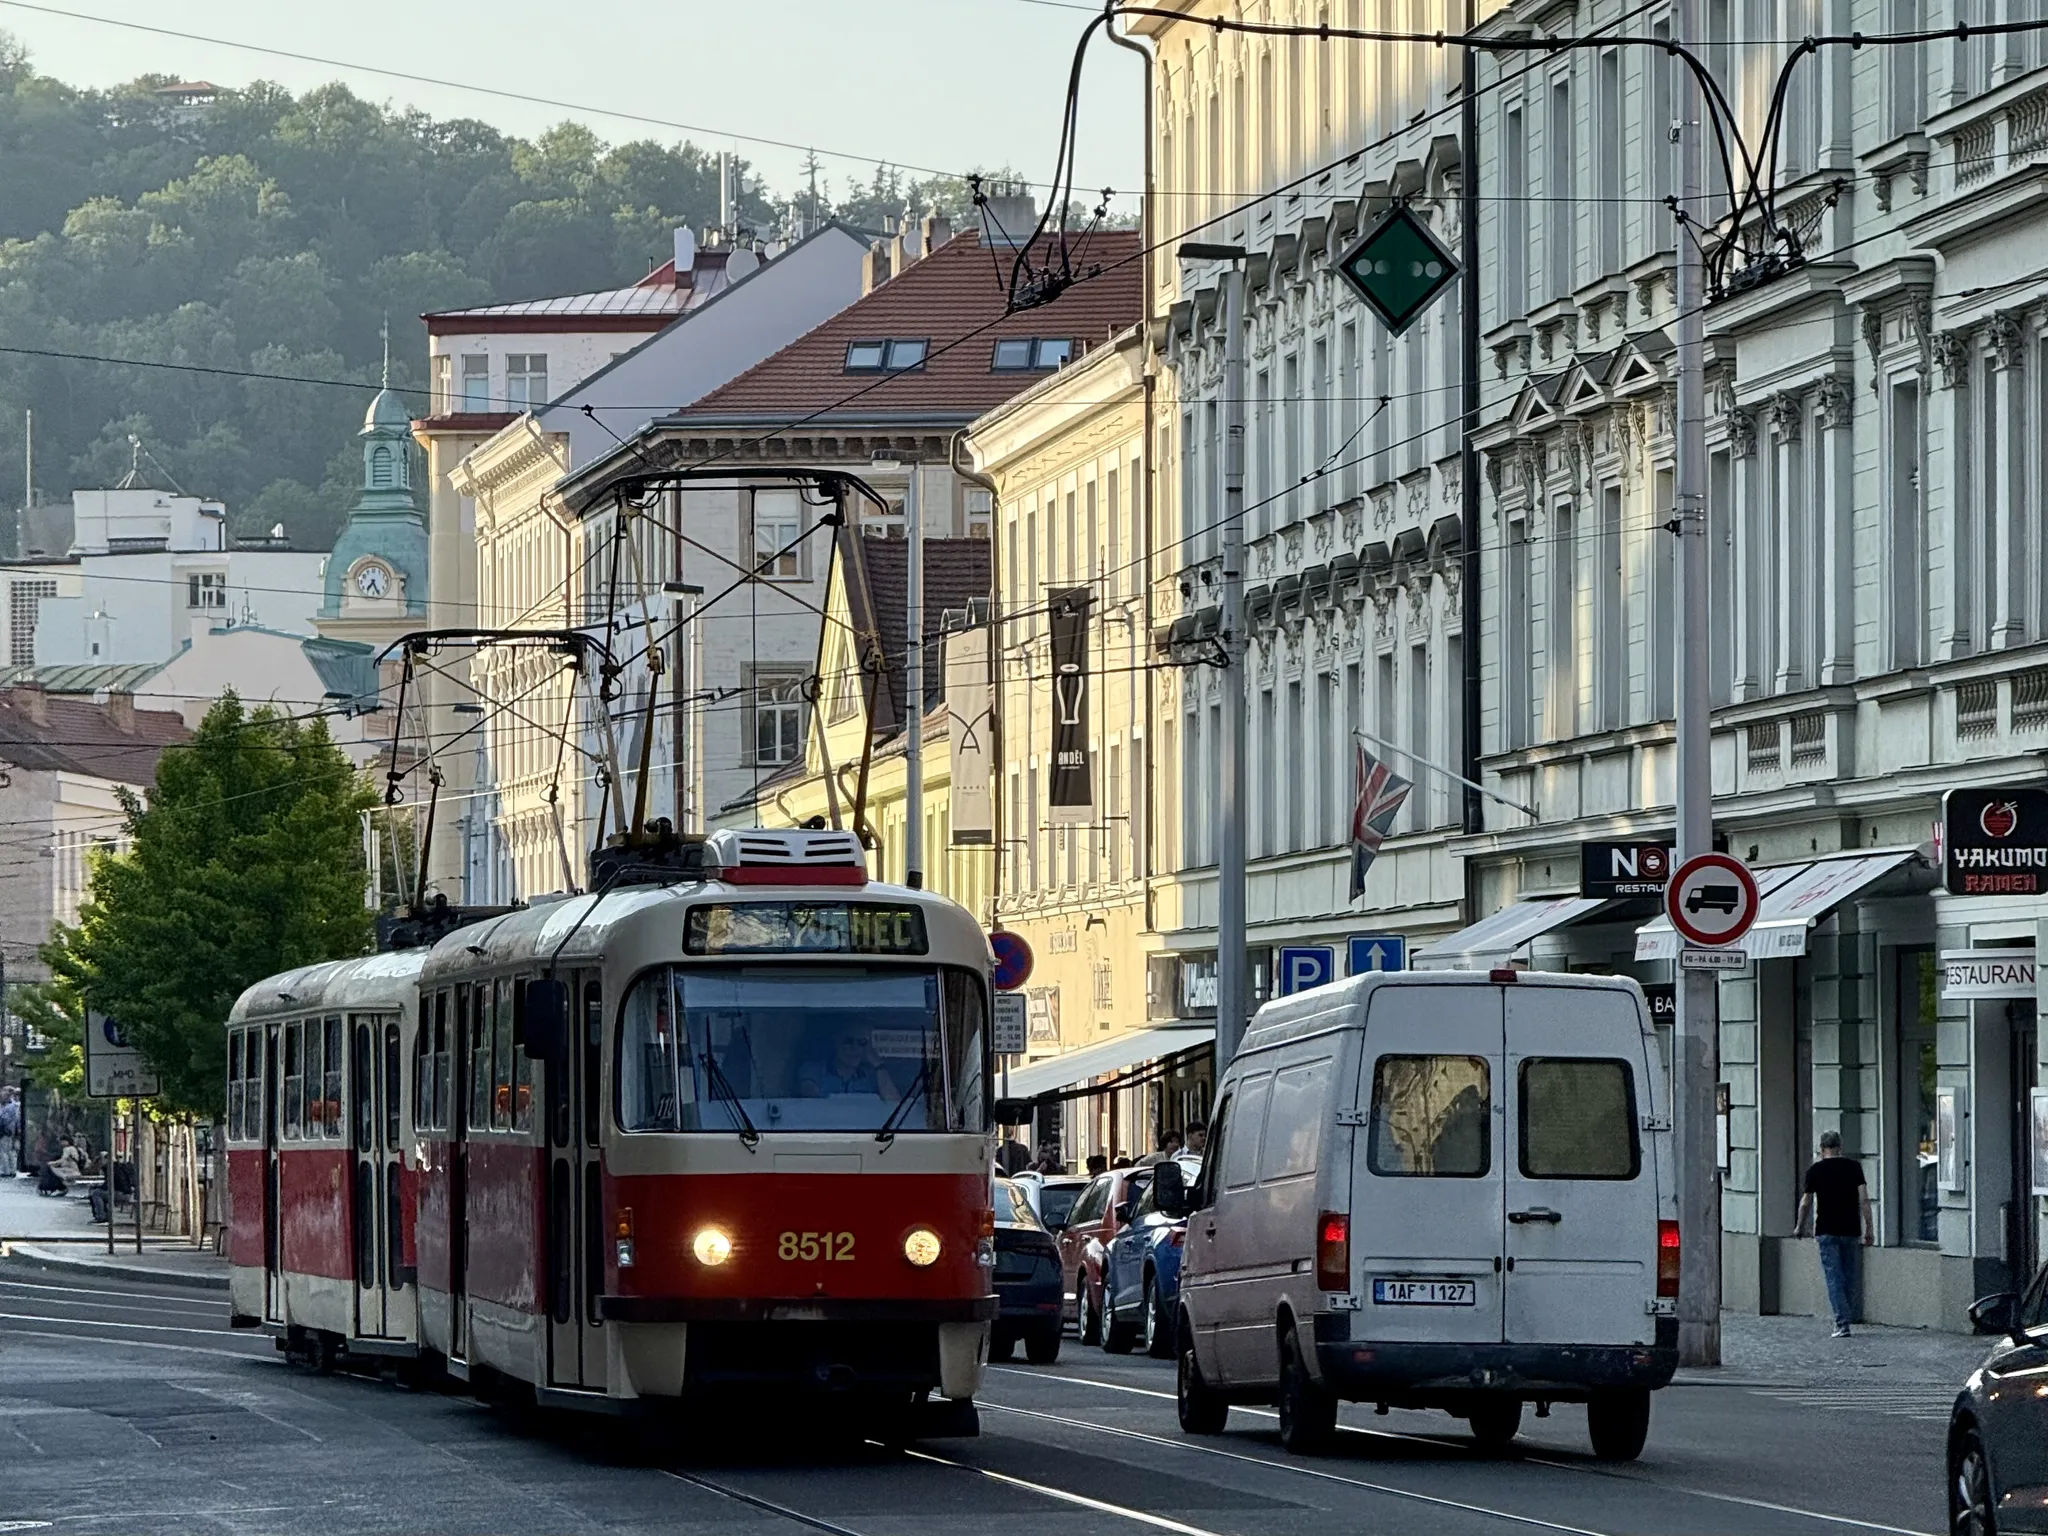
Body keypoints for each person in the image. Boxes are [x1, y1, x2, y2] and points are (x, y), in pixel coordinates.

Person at [1797, 1129, 1874, 1338]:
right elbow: (1864, 1200)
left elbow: (1806, 1202)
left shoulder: (1815, 1170)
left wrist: (1799, 1226)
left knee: (1834, 1277)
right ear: (1840, 1147)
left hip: (1826, 1230)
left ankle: (1842, 1323)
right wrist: (1869, 1228)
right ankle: (1847, 1315)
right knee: (1849, 1276)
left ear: (1822, 1149)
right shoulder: (1854, 1168)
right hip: (1850, 1230)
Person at [798, 1028, 900, 1100]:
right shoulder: (814, 1069)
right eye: (848, 1041)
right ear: (836, 1042)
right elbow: (810, 1098)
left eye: (862, 1042)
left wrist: (879, 1065)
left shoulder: (872, 1077)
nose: (854, 1047)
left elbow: (894, 1105)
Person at [0, 1087, 19, 1179]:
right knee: (11, 1151)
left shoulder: (11, 1106)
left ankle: (5, 1171)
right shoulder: (14, 1106)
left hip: (6, 1132)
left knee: (4, 1151)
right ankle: (12, 1170)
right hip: (11, 1131)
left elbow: (5, 1120)